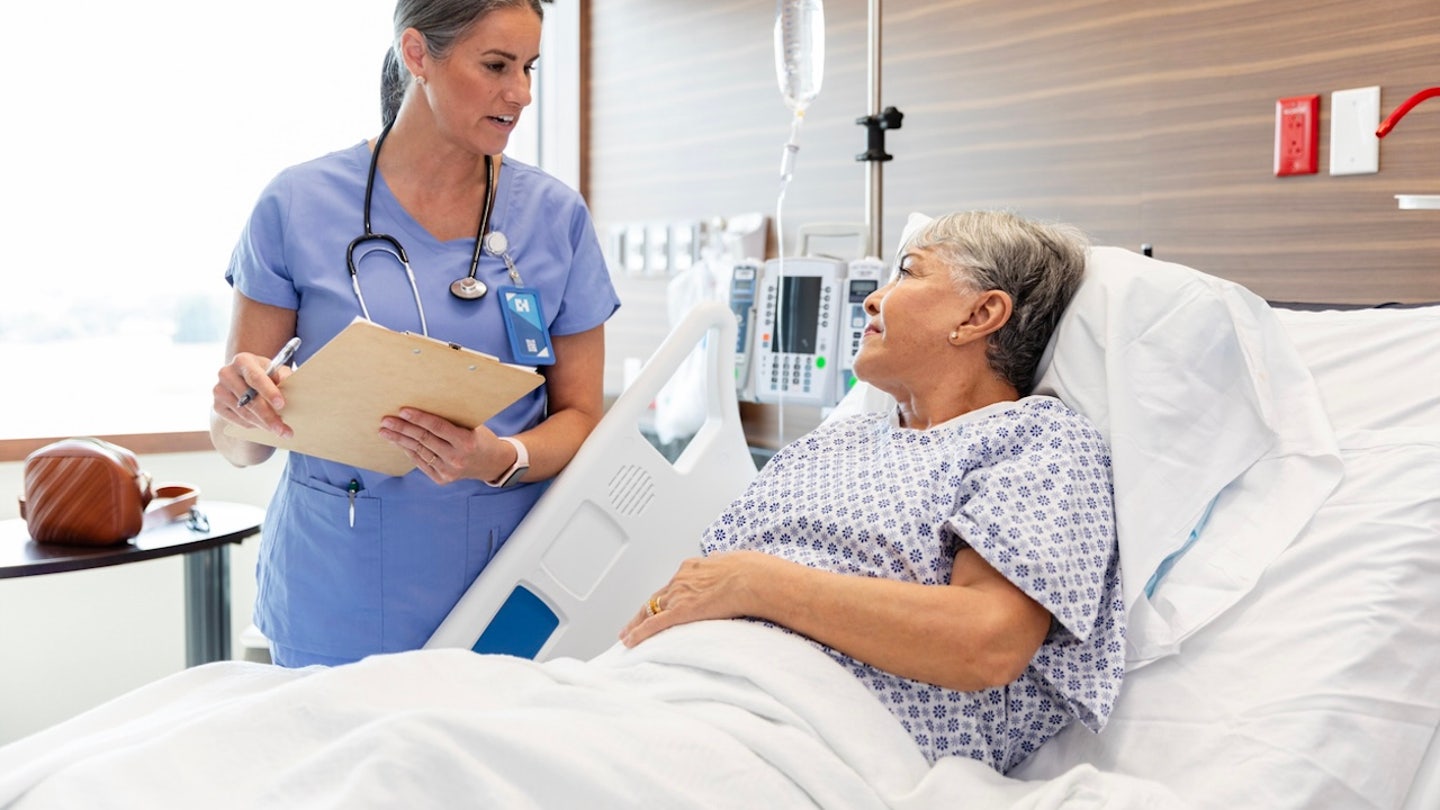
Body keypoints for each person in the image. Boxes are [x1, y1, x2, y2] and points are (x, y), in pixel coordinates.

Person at [621, 210, 1123, 774]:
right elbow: (702, 588)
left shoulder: (1036, 441)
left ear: (980, 314)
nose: (872, 300)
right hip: (663, 689)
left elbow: (987, 641)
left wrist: (754, 583)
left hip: (809, 733)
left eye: (909, 273)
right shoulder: (831, 444)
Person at [210, 0, 619, 668]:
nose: (521, 93)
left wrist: (500, 458)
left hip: (509, 584)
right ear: (418, 54)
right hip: (338, 589)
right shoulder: (296, 204)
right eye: (496, 65)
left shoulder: (555, 217)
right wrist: (238, 410)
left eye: (529, 67)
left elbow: (581, 415)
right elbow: (238, 440)